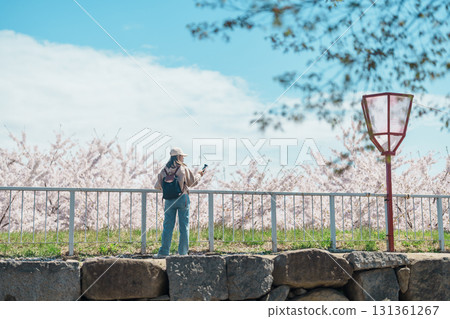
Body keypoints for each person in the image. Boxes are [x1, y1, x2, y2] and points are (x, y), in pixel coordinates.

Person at [153, 147, 204, 257]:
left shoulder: (164, 169)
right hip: (182, 199)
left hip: (168, 201)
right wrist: (200, 175)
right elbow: (192, 182)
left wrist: (168, 187)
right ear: (178, 157)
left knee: (167, 227)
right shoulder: (183, 168)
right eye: (182, 156)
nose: (183, 159)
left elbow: (157, 186)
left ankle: (163, 252)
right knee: (184, 226)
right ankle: (183, 253)